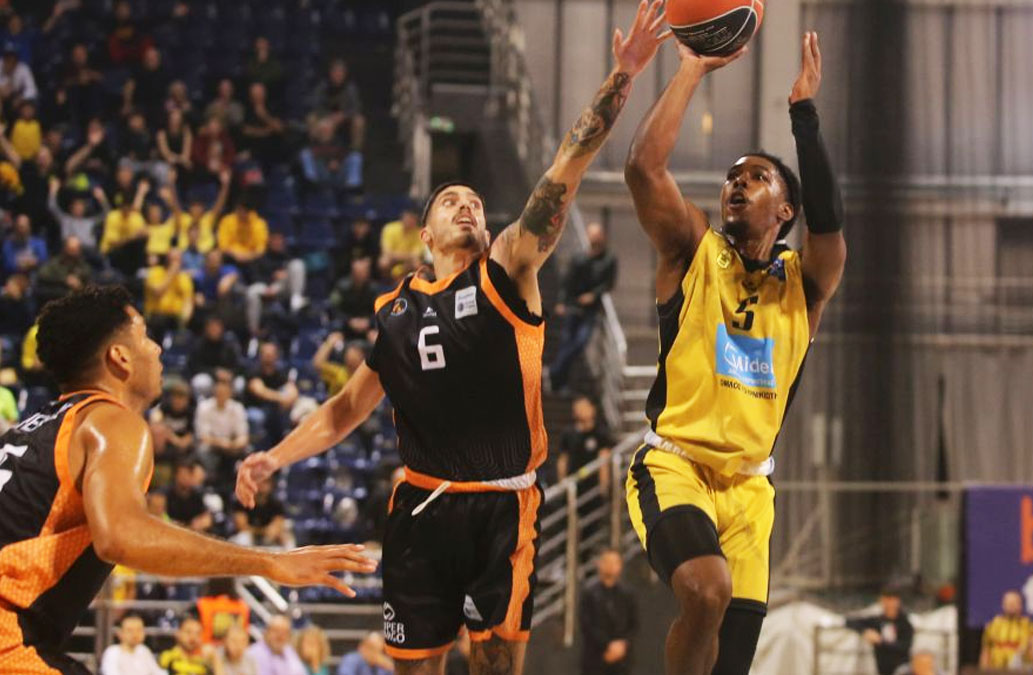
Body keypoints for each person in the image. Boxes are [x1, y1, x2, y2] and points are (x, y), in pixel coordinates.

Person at [236, 6, 664, 672]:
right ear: (424, 235)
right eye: (450, 201)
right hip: (420, 507)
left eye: (475, 201)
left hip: (502, 504)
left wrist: (624, 74)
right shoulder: (394, 311)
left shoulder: (508, 269)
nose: (467, 204)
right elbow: (344, 410)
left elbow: (566, 167)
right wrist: (273, 458)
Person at [0, 286, 375, 673]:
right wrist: (270, 562)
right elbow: (122, 536)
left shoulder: (28, 431)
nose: (157, 349)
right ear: (120, 357)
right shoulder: (109, 421)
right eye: (145, 336)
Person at [622, 30, 846, 675]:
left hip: (750, 489)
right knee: (705, 590)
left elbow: (831, 225)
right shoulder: (692, 249)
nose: (736, 184)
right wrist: (691, 70)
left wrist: (804, 116)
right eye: (731, 177)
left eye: (756, 177)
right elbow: (642, 170)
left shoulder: (806, 282)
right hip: (676, 465)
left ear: (786, 209)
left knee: (732, 661)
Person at [547, 222, 617, 394]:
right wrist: (562, 302)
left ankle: (554, 372)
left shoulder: (609, 260)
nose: (594, 238)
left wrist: (593, 295)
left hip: (590, 310)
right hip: (573, 306)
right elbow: (567, 282)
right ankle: (559, 382)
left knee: (579, 342)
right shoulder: (579, 258)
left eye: (596, 234)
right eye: (591, 234)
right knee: (567, 342)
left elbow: (608, 283)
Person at [579, 549, 637, 675]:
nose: (610, 566)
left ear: (620, 566)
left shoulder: (627, 594)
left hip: (622, 661)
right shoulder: (589, 593)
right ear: (599, 564)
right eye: (607, 561)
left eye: (614, 562)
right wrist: (607, 645)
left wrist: (622, 645)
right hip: (595, 658)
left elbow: (633, 624)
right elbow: (586, 624)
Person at [195, 376, 250, 488]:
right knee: (202, 451)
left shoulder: (237, 408)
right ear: (214, 392)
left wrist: (233, 445)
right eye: (219, 392)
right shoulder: (204, 407)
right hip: (212, 446)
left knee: (248, 452)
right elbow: (203, 436)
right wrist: (221, 443)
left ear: (230, 393)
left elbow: (243, 437)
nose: (221, 395)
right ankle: (210, 484)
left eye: (224, 392)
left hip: (232, 446)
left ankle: (240, 485)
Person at [845, 588, 914, 675]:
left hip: (901, 668)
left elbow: (904, 647)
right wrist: (865, 631)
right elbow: (850, 621)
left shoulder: (905, 623)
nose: (889, 604)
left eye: (892, 600)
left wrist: (880, 641)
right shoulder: (878, 621)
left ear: (897, 601)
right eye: (886, 600)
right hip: (882, 667)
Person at [980, 590, 1033, 670]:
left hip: (1021, 671)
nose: (1011, 605)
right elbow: (986, 651)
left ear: (1020, 605)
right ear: (1003, 605)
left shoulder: (1030, 626)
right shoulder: (993, 625)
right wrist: (983, 670)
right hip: (996, 670)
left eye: (1014, 603)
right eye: (1008, 603)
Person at [231, 474, 293, 548]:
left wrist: (272, 532)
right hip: (249, 537)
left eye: (265, 482)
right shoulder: (242, 502)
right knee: (243, 538)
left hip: (268, 538)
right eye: (258, 481)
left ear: (271, 485)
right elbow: (242, 527)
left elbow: (277, 525)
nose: (261, 485)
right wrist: (262, 531)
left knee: (286, 539)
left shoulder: (276, 504)